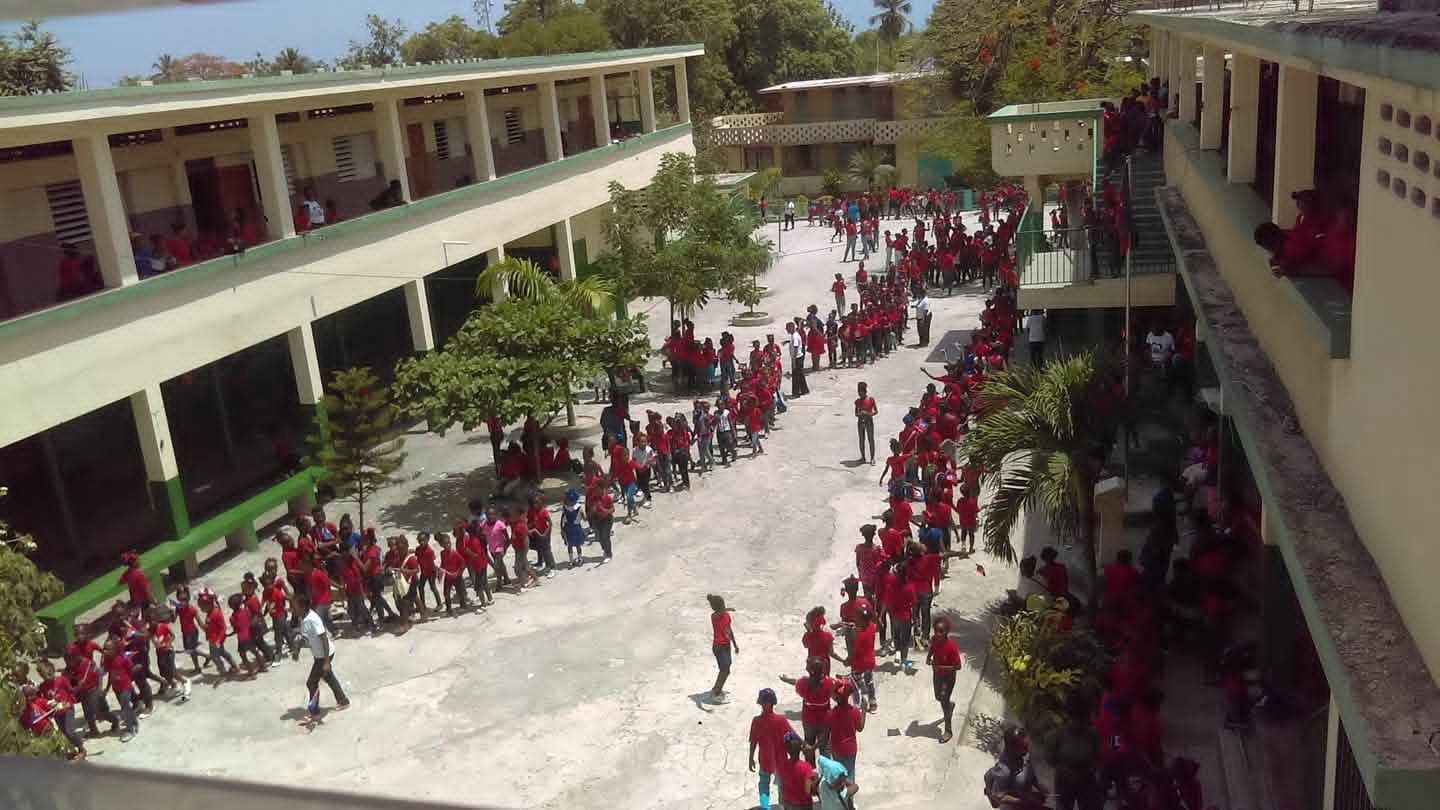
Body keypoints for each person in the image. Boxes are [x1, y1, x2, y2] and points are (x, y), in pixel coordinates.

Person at [296, 593, 350, 723]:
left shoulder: (312, 619)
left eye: (295, 606)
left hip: (324, 655)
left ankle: (314, 712)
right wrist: (297, 649)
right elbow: (306, 638)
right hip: (319, 655)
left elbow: (324, 638)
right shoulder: (303, 618)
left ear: (303, 607)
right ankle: (343, 701)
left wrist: (326, 662)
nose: (293, 608)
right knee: (328, 677)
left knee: (311, 683)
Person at [749, 688, 794, 810]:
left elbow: (753, 741)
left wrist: (751, 758)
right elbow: (792, 736)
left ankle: (767, 806)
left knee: (766, 784)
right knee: (780, 785)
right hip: (779, 760)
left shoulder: (757, 721)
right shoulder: (781, 720)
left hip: (766, 759)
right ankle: (780, 806)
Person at [984, 726, 1048, 809]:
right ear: (1012, 748)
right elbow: (999, 796)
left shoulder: (1022, 754)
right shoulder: (1004, 771)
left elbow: (1027, 770)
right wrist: (1021, 801)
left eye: (1028, 745)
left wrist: (1038, 786)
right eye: (1024, 747)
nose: (1028, 750)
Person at [928, 616, 962, 743]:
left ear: (947, 632)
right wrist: (928, 657)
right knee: (938, 697)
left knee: (943, 700)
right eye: (936, 631)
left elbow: (958, 666)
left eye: (941, 632)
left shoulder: (952, 647)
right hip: (937, 675)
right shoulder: (934, 640)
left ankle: (948, 731)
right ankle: (950, 705)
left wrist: (940, 667)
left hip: (948, 677)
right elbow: (932, 648)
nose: (938, 634)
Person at [777, 732, 817, 810]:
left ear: (786, 750)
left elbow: (781, 786)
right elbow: (808, 791)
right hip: (804, 805)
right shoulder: (806, 767)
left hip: (788, 803)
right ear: (800, 748)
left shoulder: (781, 766)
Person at [710, 593, 738, 702]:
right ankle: (716, 692)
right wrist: (727, 609)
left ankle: (716, 688)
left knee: (726, 668)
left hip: (726, 645)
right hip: (718, 647)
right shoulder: (714, 616)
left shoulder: (726, 615)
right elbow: (720, 613)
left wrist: (735, 644)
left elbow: (729, 630)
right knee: (725, 670)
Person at [854, 382, 877, 464]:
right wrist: (860, 414)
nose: (859, 394)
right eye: (858, 392)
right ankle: (863, 457)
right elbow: (856, 413)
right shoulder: (857, 401)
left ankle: (872, 458)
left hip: (869, 421)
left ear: (865, 391)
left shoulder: (870, 400)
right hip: (860, 422)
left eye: (861, 392)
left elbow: (876, 411)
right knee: (861, 440)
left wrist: (868, 414)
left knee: (871, 439)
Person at [787, 322, 809, 398]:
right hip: (798, 357)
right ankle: (804, 390)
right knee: (800, 374)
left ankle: (796, 393)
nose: (786, 329)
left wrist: (793, 361)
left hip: (797, 358)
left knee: (796, 376)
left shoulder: (795, 336)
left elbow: (796, 347)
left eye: (787, 328)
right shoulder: (794, 335)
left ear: (791, 327)